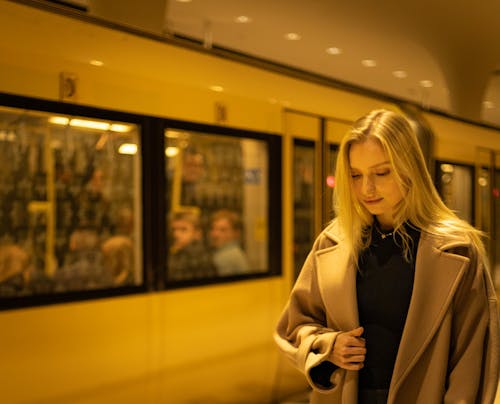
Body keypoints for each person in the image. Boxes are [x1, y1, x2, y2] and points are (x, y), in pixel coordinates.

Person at [274, 109, 499, 404]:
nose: (367, 188)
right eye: (355, 175)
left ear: (410, 169)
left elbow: (472, 358)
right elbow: (294, 327)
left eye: (382, 172)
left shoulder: (457, 250)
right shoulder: (332, 244)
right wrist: (329, 346)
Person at [168, 210, 215, 281]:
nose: (176, 234)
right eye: (173, 229)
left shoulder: (196, 256)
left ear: (197, 233)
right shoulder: (179, 251)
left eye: (183, 229)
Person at [209, 209, 250, 276]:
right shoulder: (231, 251)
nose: (215, 234)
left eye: (223, 230)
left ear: (235, 233)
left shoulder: (228, 256)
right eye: (213, 228)